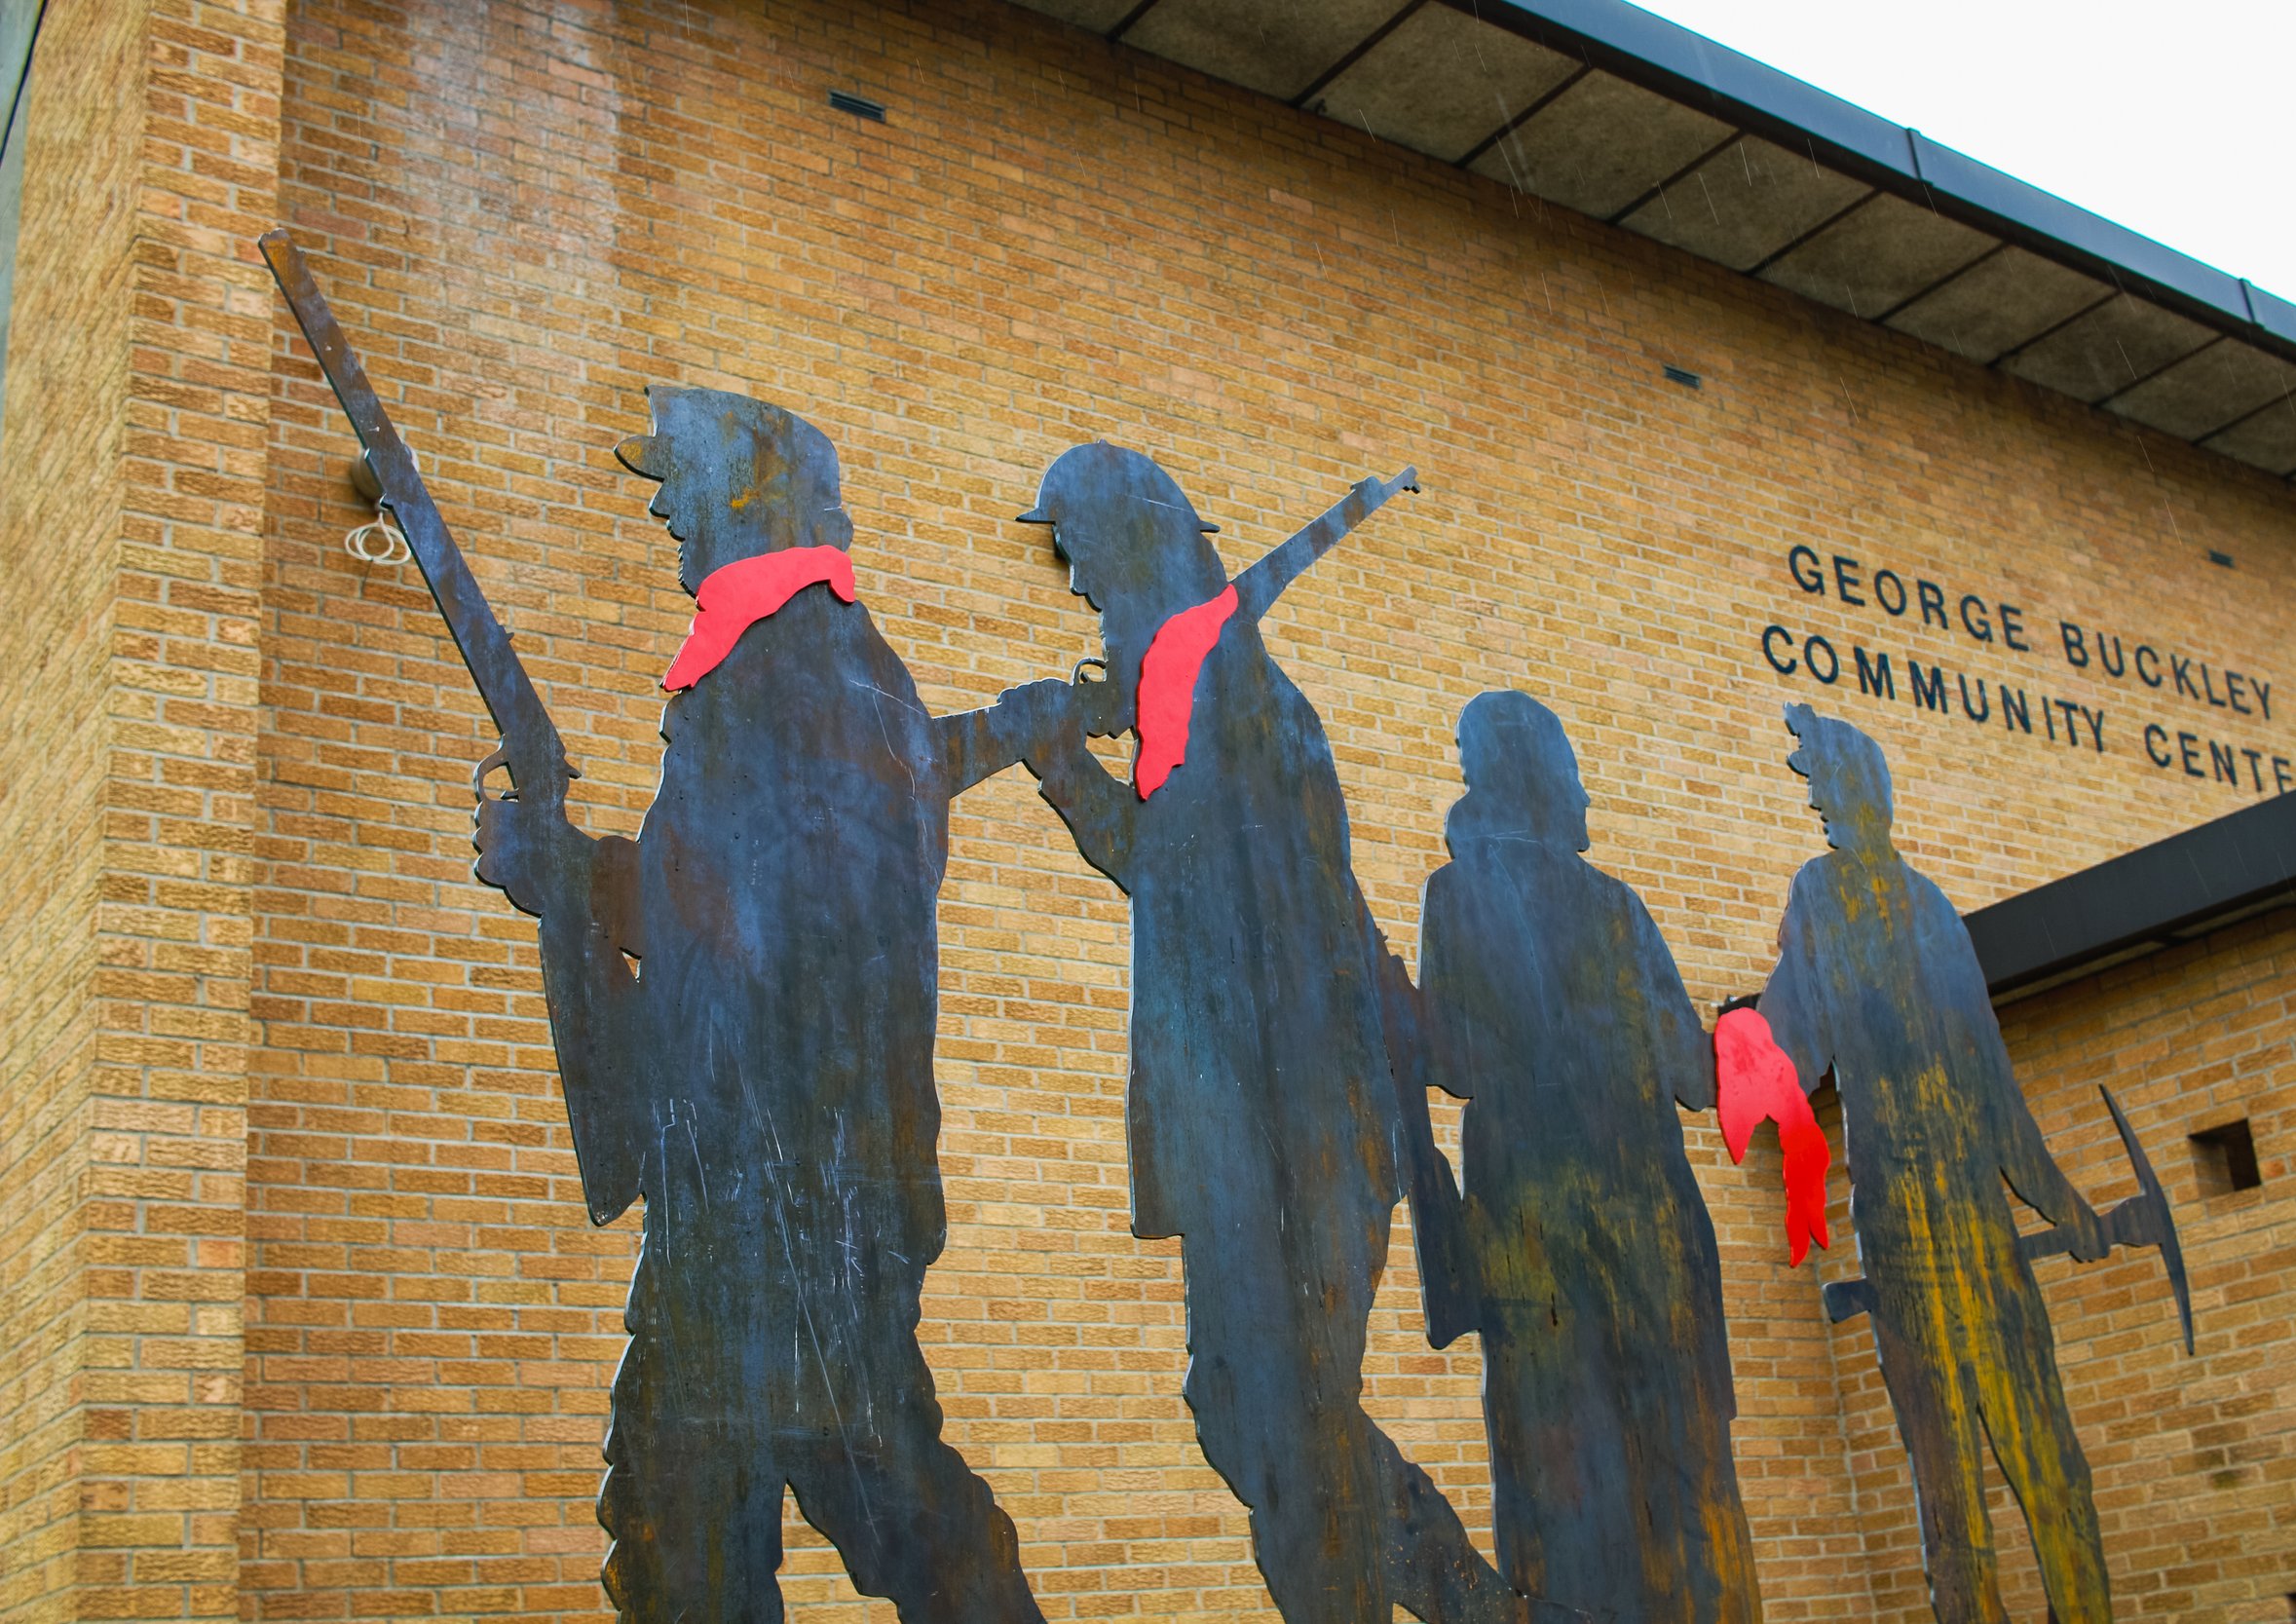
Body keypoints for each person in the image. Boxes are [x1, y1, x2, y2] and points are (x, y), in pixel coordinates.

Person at [472, 387, 1054, 1624]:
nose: (659, 503)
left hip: (795, 1198)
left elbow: (772, 935)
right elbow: (723, 906)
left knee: (863, 1510)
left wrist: (563, 872)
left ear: (745, 495)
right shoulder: (765, 671)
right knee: (694, 1526)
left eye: (675, 475)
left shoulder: (809, 675)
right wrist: (566, 872)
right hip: (737, 1192)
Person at [1012, 443, 1567, 1624]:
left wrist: (1066, 766)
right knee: (1257, 1410)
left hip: (1300, 1124)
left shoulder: (1234, 697)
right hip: (1259, 1127)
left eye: (1092, 569)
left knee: (1276, 1418)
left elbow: (1191, 884)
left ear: (1147, 553)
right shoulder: (1196, 694)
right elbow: (1189, 883)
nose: (1081, 597)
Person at [1384, 691, 1760, 1624]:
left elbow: (1455, 1060)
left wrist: (1397, 1002)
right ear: (1553, 776)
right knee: (1686, 1485)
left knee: (1560, 1493)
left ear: (1492, 776)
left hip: (1533, 1237)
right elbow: (1692, 1072)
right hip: (1653, 1232)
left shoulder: (1456, 892)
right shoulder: (1616, 908)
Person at [1754, 702, 2112, 1624]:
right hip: (1950, 1234)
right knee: (2029, 1465)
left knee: (1967, 1485)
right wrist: (2061, 1203)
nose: (1821, 806)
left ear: (1861, 792)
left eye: (1827, 787)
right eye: (1815, 791)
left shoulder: (1830, 894)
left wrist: (2059, 1200)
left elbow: (1793, 1050)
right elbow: (1995, 1092)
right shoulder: (1929, 908)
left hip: (1928, 1238)